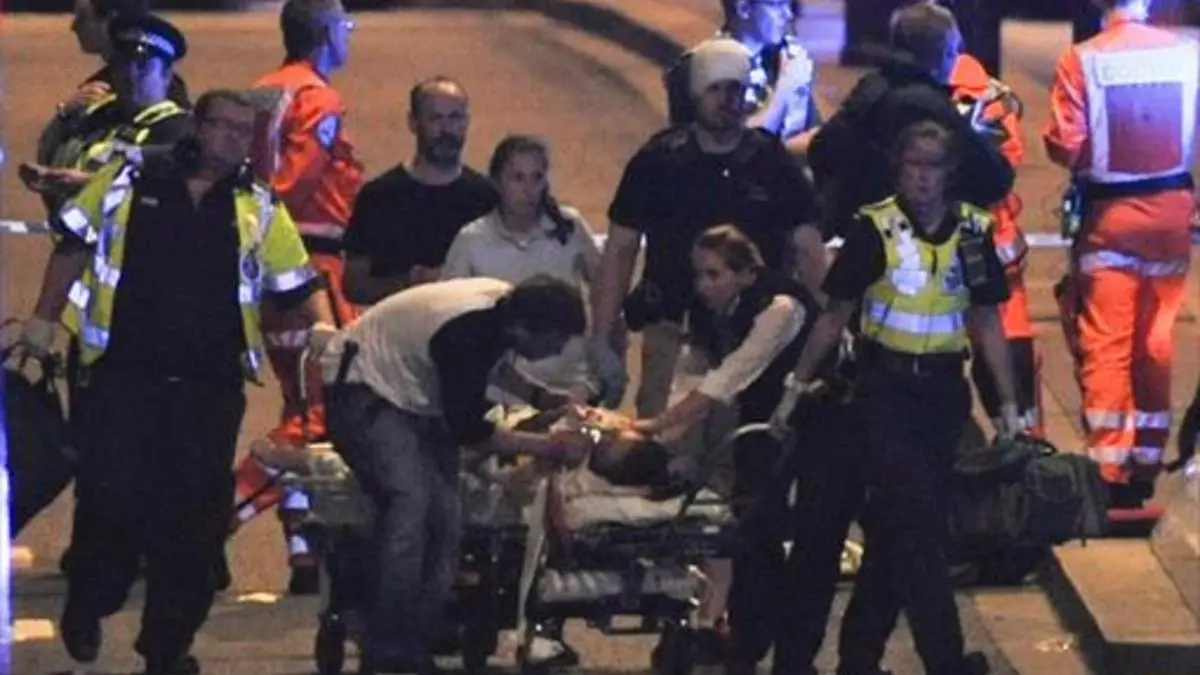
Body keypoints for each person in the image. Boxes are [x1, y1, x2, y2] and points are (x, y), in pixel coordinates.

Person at [15, 89, 336, 675]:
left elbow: (299, 278)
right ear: (197, 128)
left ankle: (167, 648)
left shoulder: (256, 204)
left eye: (245, 131)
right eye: (226, 127)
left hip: (208, 387)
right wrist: (42, 320)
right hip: (123, 375)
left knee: (192, 525)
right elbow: (73, 244)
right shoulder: (130, 180)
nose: (236, 140)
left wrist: (324, 329)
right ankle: (91, 599)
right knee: (112, 501)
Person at [776, 119, 1015, 675]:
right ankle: (945, 661)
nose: (923, 178)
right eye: (914, 165)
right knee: (920, 533)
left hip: (943, 396)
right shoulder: (876, 229)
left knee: (895, 538)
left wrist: (1009, 407)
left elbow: (987, 322)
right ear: (898, 169)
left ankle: (860, 657)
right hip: (884, 392)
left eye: (934, 166)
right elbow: (835, 315)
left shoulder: (972, 233)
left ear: (950, 173)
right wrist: (795, 388)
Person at [320, 275, 593, 675]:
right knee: (409, 504)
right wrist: (547, 446)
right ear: (524, 330)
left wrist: (542, 398)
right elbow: (468, 429)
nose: (557, 351)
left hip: (406, 393)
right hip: (362, 387)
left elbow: (488, 371)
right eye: (555, 341)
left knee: (445, 519)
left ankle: (418, 636)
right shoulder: (465, 331)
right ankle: (389, 644)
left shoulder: (500, 313)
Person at [633, 224, 839, 675]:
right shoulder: (711, 311)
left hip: (817, 424)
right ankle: (746, 641)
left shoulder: (780, 308)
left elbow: (732, 375)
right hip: (764, 423)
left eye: (714, 274)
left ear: (747, 273)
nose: (702, 285)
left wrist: (657, 424)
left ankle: (791, 654)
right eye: (699, 275)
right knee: (751, 533)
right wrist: (664, 437)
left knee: (809, 540)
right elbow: (693, 372)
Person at [594, 37, 823, 419]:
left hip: (754, 332)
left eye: (735, 89)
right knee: (662, 432)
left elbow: (807, 247)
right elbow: (620, 248)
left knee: (743, 435)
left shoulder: (770, 163)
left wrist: (829, 325)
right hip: (673, 325)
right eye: (715, 88)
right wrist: (603, 336)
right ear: (695, 94)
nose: (726, 99)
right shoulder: (659, 161)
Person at [232, 0, 365, 594]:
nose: (349, 34)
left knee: (299, 407)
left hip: (268, 270)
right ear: (326, 35)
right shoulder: (319, 99)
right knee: (319, 417)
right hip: (309, 268)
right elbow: (292, 183)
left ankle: (304, 549)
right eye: (344, 25)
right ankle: (212, 518)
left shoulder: (263, 90)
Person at [1045, 0, 1198, 509]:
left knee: (1106, 339)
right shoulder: (1186, 53)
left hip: (1110, 217)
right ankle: (1147, 459)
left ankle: (1109, 466)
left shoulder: (1085, 58)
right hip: (1172, 213)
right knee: (1154, 340)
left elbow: (1066, 144)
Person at [807, 1, 1014, 229]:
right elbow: (995, 179)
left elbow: (820, 149)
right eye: (954, 51)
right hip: (907, 237)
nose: (956, 59)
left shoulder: (870, 90)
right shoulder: (932, 105)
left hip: (854, 228)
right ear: (943, 54)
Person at [440, 135, 610, 404]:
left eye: (537, 177)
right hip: (501, 393)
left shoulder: (571, 227)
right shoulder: (471, 241)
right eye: (517, 178)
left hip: (572, 384)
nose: (529, 189)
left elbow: (605, 290)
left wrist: (605, 353)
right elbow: (449, 317)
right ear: (497, 182)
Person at [948, 50, 1042, 439]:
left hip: (934, 257)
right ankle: (1024, 445)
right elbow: (1008, 165)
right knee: (1010, 355)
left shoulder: (903, 97)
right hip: (995, 252)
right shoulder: (992, 98)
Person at [343, 76, 498, 305]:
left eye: (455, 117)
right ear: (413, 123)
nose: (446, 129)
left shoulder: (487, 197)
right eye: (435, 118)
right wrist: (412, 281)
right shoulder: (379, 196)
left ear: (466, 122)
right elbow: (354, 286)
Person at [21, 12, 191, 214]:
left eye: (143, 67)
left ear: (165, 76)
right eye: (124, 65)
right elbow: (49, 157)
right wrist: (64, 115)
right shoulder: (97, 113)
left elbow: (160, 193)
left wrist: (83, 183)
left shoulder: (177, 129)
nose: (131, 75)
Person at [666, 0, 821, 156]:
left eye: (788, 4)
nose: (788, 14)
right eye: (777, 5)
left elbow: (813, 132)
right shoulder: (698, 68)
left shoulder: (783, 60)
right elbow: (729, 151)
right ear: (744, 8)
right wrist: (784, 90)